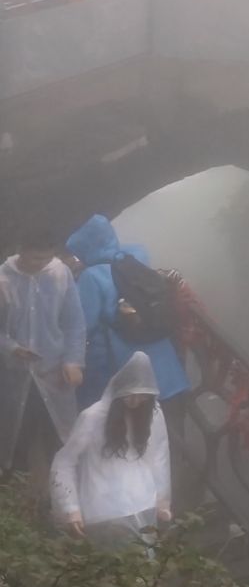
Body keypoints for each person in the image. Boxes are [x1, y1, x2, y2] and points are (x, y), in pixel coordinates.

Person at [64, 216, 190, 409]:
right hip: (167, 371)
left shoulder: (91, 276)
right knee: (168, 421)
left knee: (133, 425)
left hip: (126, 373)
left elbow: (82, 324)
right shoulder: (137, 256)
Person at [0, 225, 86, 504]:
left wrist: (73, 360)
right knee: (14, 443)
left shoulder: (59, 275)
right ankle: (13, 509)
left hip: (54, 374)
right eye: (36, 258)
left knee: (60, 442)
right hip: (16, 378)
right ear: (21, 250)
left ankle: (63, 508)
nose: (41, 264)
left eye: (47, 258)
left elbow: (74, 322)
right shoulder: (4, 279)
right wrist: (11, 348)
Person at [50, 351, 169, 544]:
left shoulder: (151, 415)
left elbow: (158, 456)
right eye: (130, 395)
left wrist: (163, 500)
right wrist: (71, 508)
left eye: (142, 396)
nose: (135, 401)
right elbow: (65, 461)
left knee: (145, 561)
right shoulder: (94, 417)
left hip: (144, 504)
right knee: (112, 562)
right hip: (104, 512)